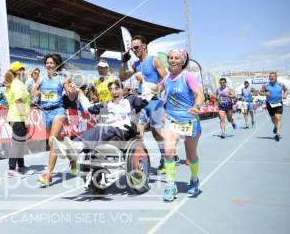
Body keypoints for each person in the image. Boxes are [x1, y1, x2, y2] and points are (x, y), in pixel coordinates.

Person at [51, 79, 146, 157]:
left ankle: (76, 146)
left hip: (123, 132)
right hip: (109, 133)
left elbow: (142, 102)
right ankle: (67, 148)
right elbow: (88, 109)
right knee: (97, 128)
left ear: (123, 90)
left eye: (117, 88)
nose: (114, 92)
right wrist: (80, 94)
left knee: (101, 128)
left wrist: (149, 89)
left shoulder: (130, 101)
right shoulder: (107, 106)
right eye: (111, 90)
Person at [158, 49, 204, 202]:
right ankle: (171, 185)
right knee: (168, 152)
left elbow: (200, 94)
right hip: (172, 121)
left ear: (183, 61)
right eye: (170, 58)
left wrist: (196, 106)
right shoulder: (166, 79)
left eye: (176, 58)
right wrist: (147, 86)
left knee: (191, 157)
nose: (172, 60)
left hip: (189, 121)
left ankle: (194, 179)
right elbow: (158, 89)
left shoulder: (188, 76)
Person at [119, 35, 167, 171]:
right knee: (138, 131)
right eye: (132, 48)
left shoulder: (154, 60)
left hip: (155, 101)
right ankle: (138, 162)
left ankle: (165, 156)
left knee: (156, 132)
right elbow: (122, 77)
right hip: (142, 101)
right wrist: (123, 62)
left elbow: (165, 79)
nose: (134, 50)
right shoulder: (135, 64)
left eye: (136, 47)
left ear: (144, 46)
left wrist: (158, 89)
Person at [36, 54, 77, 186]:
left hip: (59, 111)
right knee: (57, 142)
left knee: (52, 141)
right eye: (47, 63)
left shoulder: (62, 79)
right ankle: (73, 158)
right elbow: (31, 94)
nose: (48, 65)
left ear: (57, 65)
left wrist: (72, 92)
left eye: (51, 63)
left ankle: (48, 174)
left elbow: (71, 97)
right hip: (45, 113)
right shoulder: (41, 80)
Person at [5, 62, 34, 177]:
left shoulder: (17, 84)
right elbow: (18, 101)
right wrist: (25, 118)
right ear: (18, 71)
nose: (25, 71)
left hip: (17, 116)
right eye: (23, 69)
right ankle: (11, 169)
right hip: (17, 117)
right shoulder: (17, 84)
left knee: (20, 143)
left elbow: (9, 97)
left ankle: (21, 166)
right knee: (17, 143)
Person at [261, 72, 288, 141]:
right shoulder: (266, 85)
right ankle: (275, 126)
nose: (272, 77)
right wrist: (264, 93)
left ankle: (278, 134)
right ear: (269, 78)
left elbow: (286, 90)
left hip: (278, 103)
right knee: (273, 119)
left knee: (278, 117)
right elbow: (260, 92)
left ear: (276, 77)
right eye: (270, 76)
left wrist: (285, 94)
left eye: (273, 76)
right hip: (269, 104)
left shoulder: (280, 84)